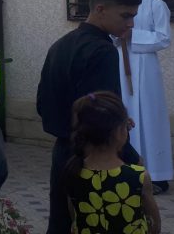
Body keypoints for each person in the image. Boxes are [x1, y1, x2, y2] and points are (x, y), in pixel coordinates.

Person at [37, 0, 142, 234]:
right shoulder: (102, 51)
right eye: (125, 16)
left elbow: (43, 103)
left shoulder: (60, 45)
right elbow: (100, 115)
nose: (130, 24)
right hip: (96, 159)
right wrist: (129, 158)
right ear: (100, 9)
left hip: (62, 155)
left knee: (61, 222)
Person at [63, 91, 161, 234]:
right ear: (119, 132)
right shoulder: (138, 177)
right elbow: (155, 226)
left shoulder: (73, 171)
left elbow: (75, 219)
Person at [117, 0, 174, 194]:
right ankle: (130, 170)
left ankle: (157, 175)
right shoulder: (118, 5)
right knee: (125, 114)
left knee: (149, 119)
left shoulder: (155, 4)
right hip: (122, 63)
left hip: (145, 68)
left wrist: (133, 35)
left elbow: (163, 37)